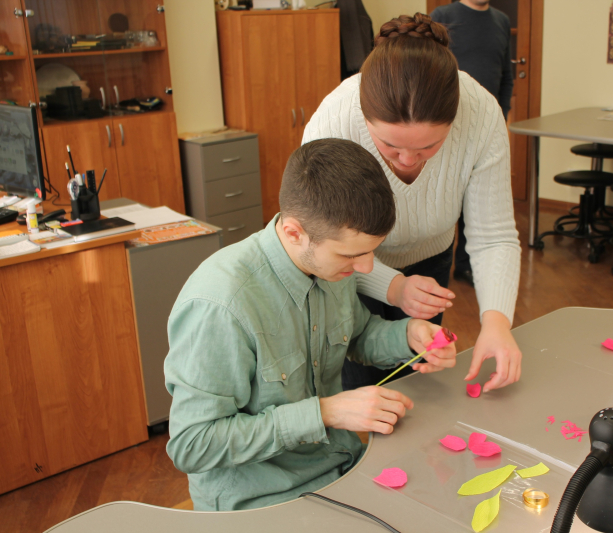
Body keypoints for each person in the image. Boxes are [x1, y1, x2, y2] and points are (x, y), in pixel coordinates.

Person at [164, 138, 458, 511]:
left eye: (372, 250)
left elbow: (359, 333)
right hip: (260, 501)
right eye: (352, 255)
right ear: (293, 233)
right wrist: (326, 412)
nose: (368, 269)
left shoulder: (331, 263)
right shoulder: (220, 305)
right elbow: (192, 445)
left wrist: (409, 335)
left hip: (340, 467)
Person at [303, 13, 522, 394]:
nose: (407, 160)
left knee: (418, 386)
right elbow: (321, 245)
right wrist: (393, 286)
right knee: (360, 389)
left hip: (430, 260)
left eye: (428, 148)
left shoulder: (481, 114)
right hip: (346, 270)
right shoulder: (334, 122)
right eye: (390, 146)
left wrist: (497, 323)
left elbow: (494, 236)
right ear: (364, 117)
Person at [432, 0, 514, 286]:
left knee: (478, 199)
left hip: (486, 126)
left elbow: (506, 78)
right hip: (446, 122)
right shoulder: (443, 16)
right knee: (447, 195)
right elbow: (432, 67)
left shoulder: (501, 21)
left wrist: (500, 119)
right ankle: (436, 260)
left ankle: (467, 265)